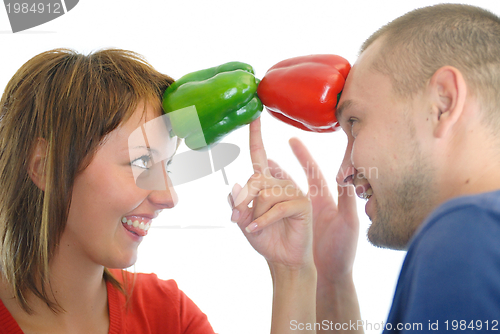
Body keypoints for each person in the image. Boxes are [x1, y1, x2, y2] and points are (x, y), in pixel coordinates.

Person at [0, 48, 317, 333]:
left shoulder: (169, 317)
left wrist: (292, 272)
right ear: (45, 167)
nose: (168, 197)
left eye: (166, 167)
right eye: (141, 162)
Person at [232, 3, 500, 333]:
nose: (343, 171)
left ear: (442, 104)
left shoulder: (468, 231)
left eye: (355, 122)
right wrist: (328, 277)